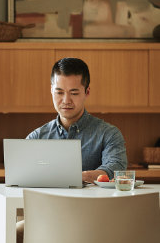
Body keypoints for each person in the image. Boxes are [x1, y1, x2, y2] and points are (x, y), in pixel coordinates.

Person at [16, 57, 127, 243]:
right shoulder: (37, 137)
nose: (66, 100)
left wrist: (77, 176)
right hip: (48, 217)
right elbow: (21, 176)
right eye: (59, 92)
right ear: (51, 90)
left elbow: (116, 168)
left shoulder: (109, 133)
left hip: (97, 220)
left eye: (74, 93)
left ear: (87, 92)